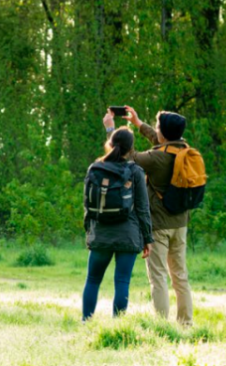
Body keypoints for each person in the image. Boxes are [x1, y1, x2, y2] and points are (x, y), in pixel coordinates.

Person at [103, 106, 194, 326]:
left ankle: (162, 325)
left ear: (163, 132)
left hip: (159, 226)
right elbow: (159, 140)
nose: (155, 130)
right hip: (181, 223)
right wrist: (138, 122)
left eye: (157, 127)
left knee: (158, 277)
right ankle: (186, 324)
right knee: (180, 276)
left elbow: (126, 155)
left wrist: (110, 130)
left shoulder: (156, 158)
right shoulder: (184, 149)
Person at [81, 127, 154, 321]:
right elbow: (142, 209)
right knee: (122, 281)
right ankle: (117, 325)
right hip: (128, 235)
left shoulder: (94, 169)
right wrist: (148, 238)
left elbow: (87, 203)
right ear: (131, 149)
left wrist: (89, 229)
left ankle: (86, 322)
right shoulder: (135, 171)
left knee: (93, 280)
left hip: (100, 233)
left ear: (110, 145)